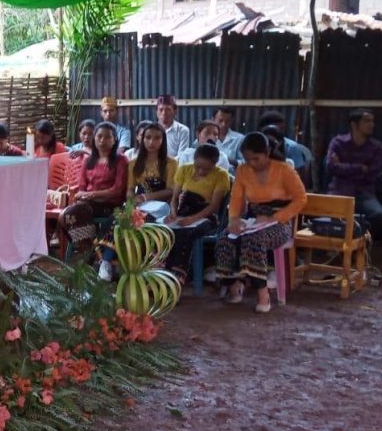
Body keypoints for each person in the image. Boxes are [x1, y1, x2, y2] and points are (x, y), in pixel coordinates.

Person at [215, 133, 307, 313]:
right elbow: (236, 199)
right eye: (247, 159)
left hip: (280, 222)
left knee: (254, 240)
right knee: (225, 239)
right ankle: (234, 286)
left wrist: (274, 218)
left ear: (267, 152)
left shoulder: (284, 170)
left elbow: (301, 199)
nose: (252, 163)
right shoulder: (243, 170)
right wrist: (234, 219)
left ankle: (263, 294)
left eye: (256, 158)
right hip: (253, 220)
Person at [164, 144, 231, 283]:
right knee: (165, 231)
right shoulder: (184, 169)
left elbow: (214, 206)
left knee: (186, 233)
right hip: (183, 213)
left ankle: (177, 276)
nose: (201, 171)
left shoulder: (221, 175)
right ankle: (163, 274)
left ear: (214, 164)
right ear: (193, 159)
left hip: (206, 217)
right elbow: (175, 198)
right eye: (198, 166)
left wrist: (192, 219)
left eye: (206, 169)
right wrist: (173, 213)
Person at [75, 122, 128, 281]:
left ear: (114, 140)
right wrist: (81, 195)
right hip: (90, 203)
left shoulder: (121, 160)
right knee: (69, 216)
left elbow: (118, 190)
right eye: (99, 136)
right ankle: (91, 252)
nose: (102, 140)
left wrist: (92, 195)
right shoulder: (88, 160)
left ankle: (104, 261)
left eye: (107, 137)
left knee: (116, 219)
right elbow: (81, 186)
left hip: (112, 204)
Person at [327, 108, 382, 237]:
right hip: (340, 189)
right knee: (330, 214)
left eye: (372, 121)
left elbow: (373, 173)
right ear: (354, 124)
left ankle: (362, 244)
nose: (372, 125)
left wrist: (344, 168)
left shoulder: (376, 147)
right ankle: (333, 249)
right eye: (367, 121)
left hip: (364, 192)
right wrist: (360, 168)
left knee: (379, 215)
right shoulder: (338, 142)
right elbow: (332, 167)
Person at [127, 122, 177, 206]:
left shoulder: (171, 163)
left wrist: (147, 197)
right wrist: (132, 202)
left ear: (163, 140)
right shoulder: (133, 163)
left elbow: (171, 190)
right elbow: (130, 189)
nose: (151, 142)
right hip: (140, 205)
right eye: (148, 137)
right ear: (143, 139)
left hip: (162, 206)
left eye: (157, 138)